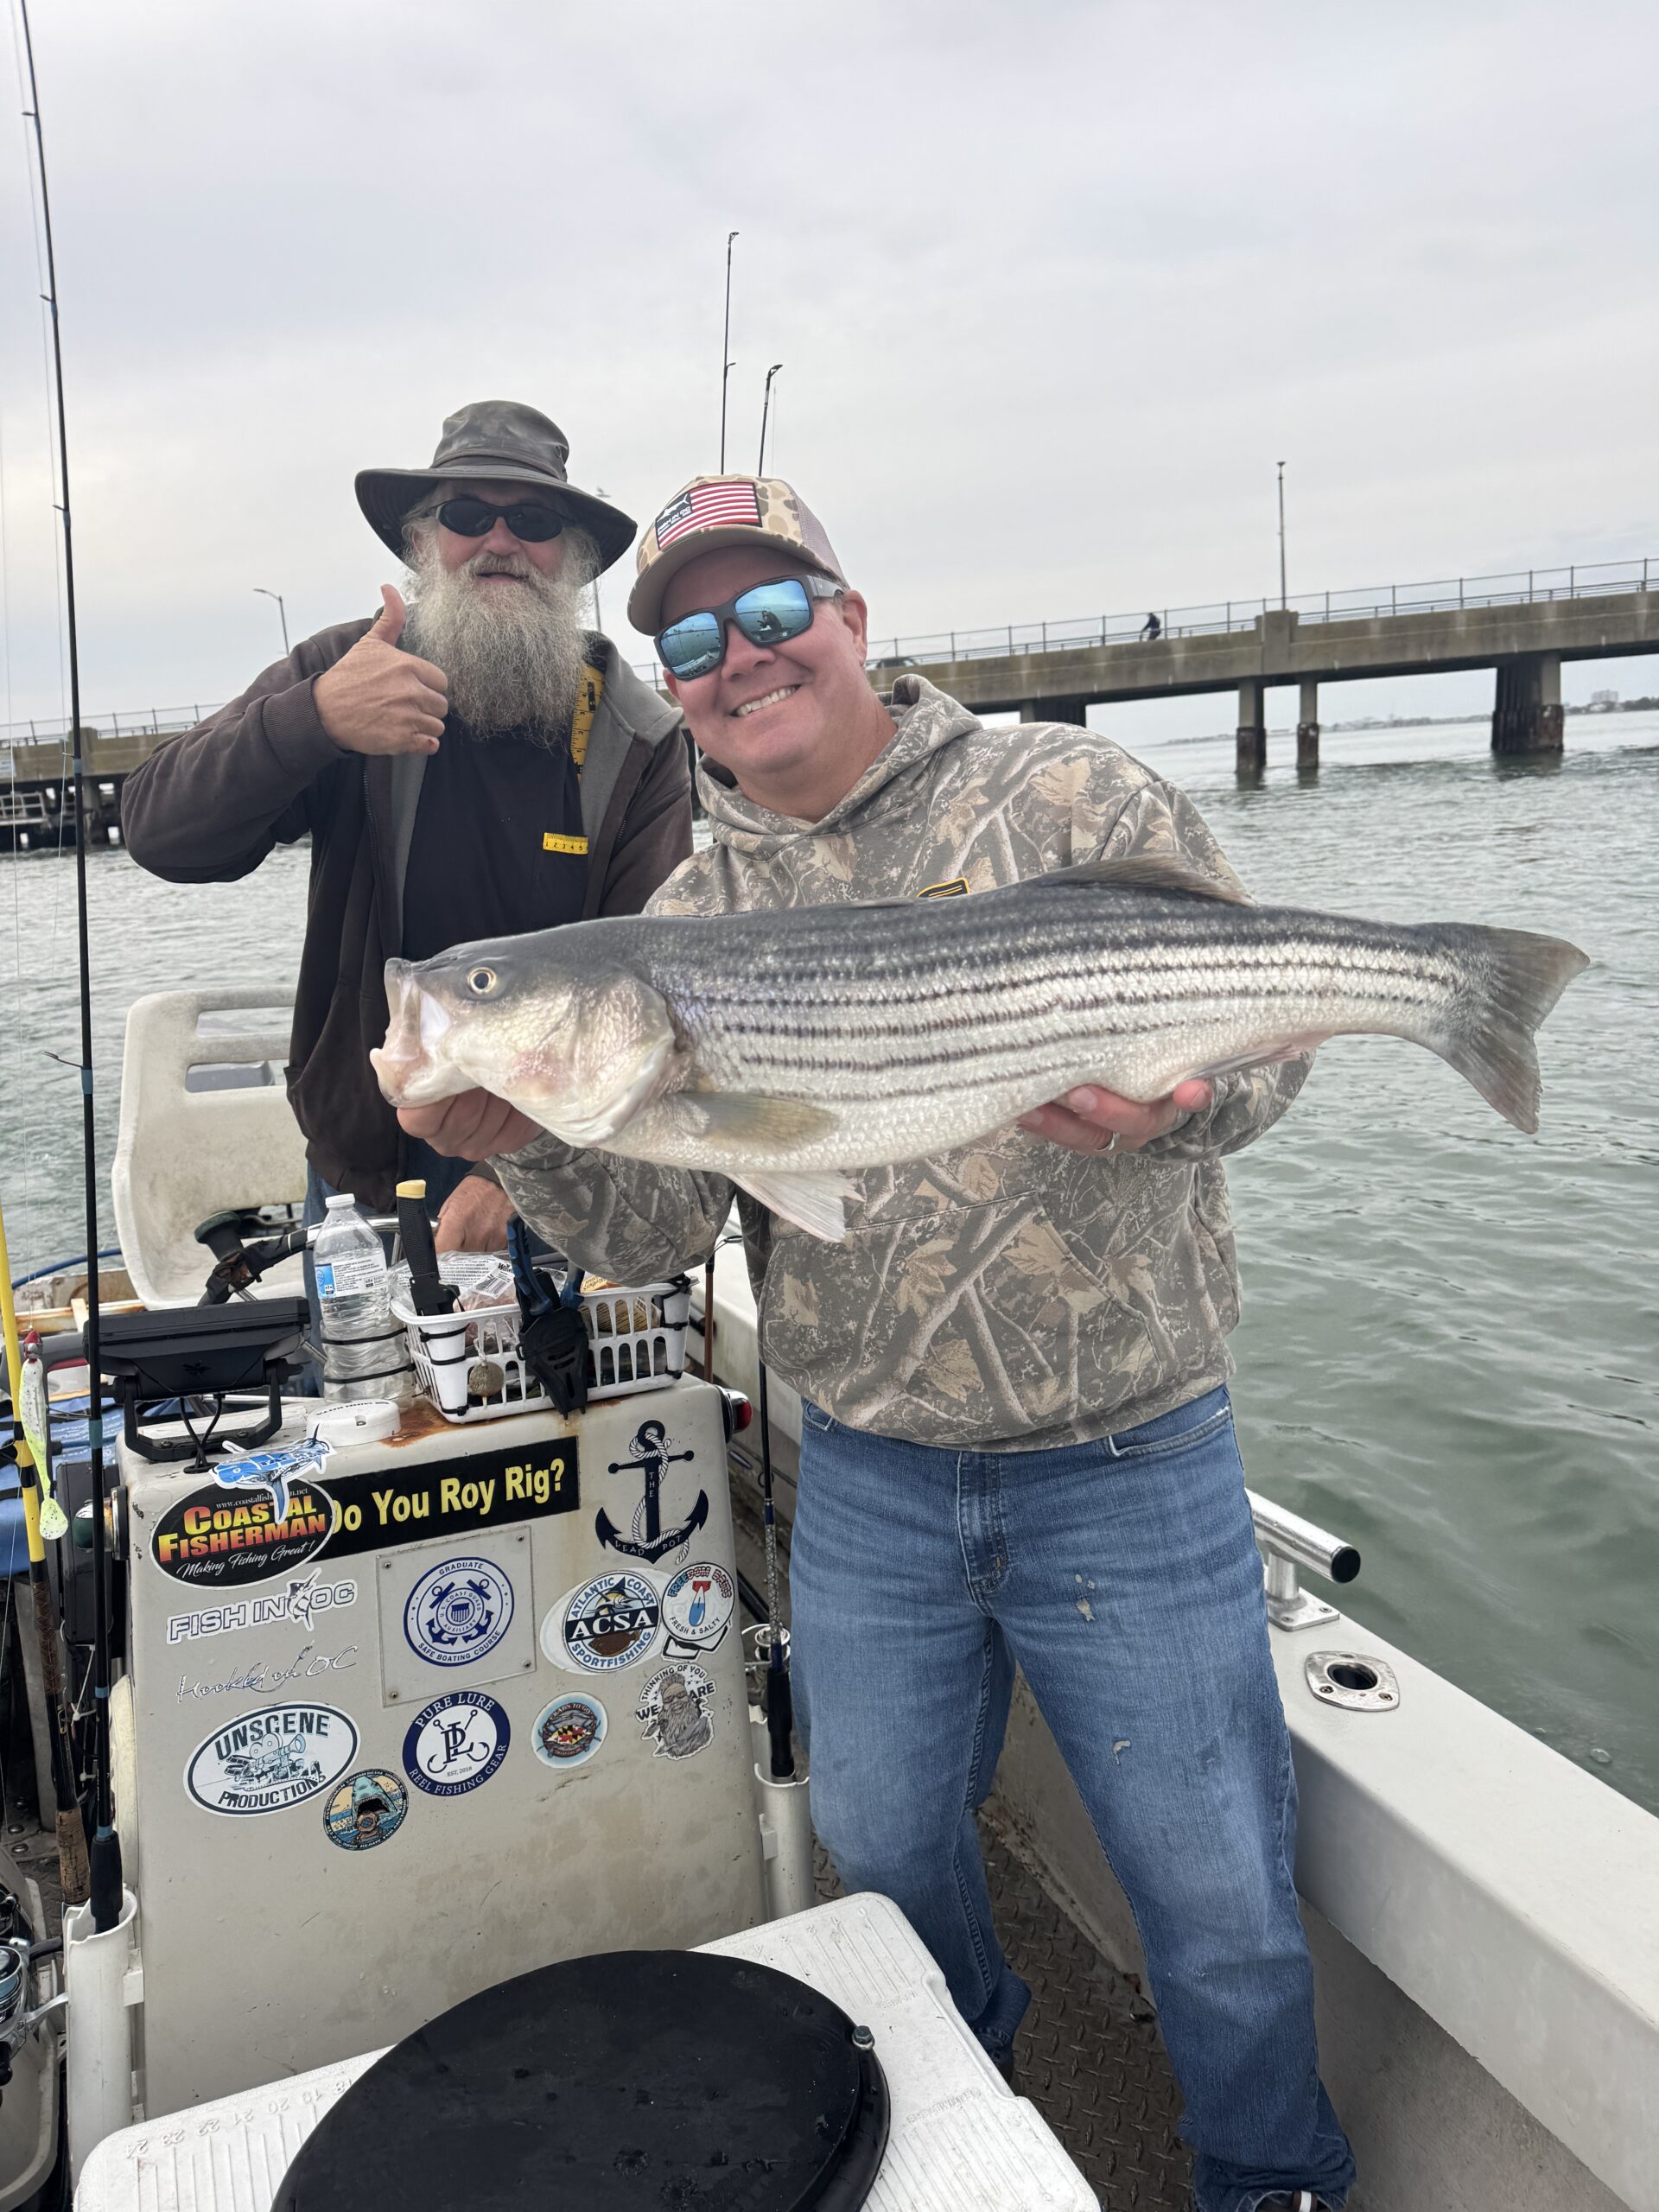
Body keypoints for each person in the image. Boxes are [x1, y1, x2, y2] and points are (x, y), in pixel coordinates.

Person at [397, 474, 1356, 2212]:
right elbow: (661, 1233)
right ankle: (966, 2125)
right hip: (871, 1479)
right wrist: (524, 1147)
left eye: (771, 611)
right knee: (893, 1860)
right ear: (673, 683)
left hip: (1128, 1455)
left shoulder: (1068, 786)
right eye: (689, 638)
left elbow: (1270, 1028)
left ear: (850, 616)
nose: (736, 656)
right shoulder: (678, 926)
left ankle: (1268, 2177)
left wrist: (1188, 1108)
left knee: (1217, 1896)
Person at [122, 401, 692, 1252]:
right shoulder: (347, 672)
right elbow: (157, 829)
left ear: (570, 557)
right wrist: (310, 719)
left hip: (567, 1180)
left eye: (532, 520)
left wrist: (513, 1172)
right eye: (467, 514)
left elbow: (654, 984)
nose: (498, 540)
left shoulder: (636, 736)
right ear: (424, 541)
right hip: (363, 1189)